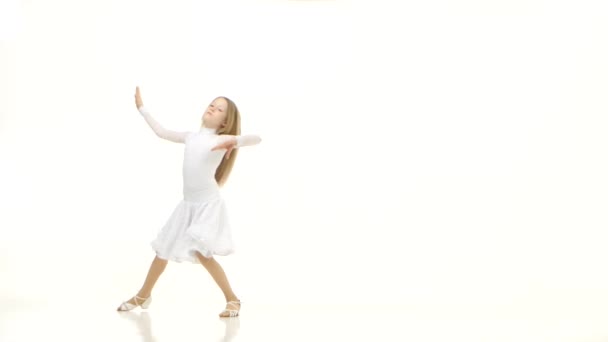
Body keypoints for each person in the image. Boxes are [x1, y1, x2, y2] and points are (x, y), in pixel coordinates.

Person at [117, 86, 261, 317]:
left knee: (202, 253)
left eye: (219, 108)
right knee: (162, 251)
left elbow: (257, 139)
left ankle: (232, 299)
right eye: (212, 104)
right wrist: (142, 109)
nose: (212, 108)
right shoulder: (191, 137)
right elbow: (162, 132)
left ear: (225, 122)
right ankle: (143, 295)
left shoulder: (222, 138)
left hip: (207, 206)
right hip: (187, 205)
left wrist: (235, 142)